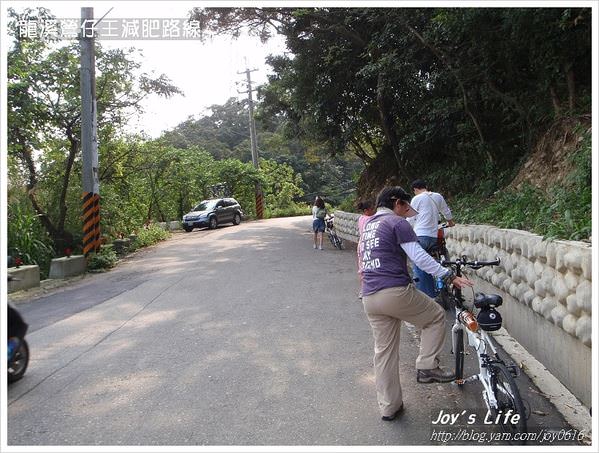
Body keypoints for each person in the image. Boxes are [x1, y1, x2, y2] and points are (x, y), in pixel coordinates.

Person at [358, 186, 473, 421]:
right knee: (435, 316)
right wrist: (449, 276)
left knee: (384, 353)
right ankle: (427, 365)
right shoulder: (396, 223)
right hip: (394, 290)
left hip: (369, 296)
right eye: (404, 207)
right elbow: (418, 256)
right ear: (397, 202)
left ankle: (389, 407)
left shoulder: (369, 225)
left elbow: (362, 260)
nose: (405, 213)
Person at [408, 179, 456, 299]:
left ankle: (427, 296)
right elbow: (446, 211)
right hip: (433, 237)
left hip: (420, 235)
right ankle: (442, 280)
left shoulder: (417, 199)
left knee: (419, 263)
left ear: (415, 190)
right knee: (434, 257)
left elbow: (410, 218)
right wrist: (450, 222)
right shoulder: (437, 196)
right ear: (426, 186)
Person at [356, 198, 376, 297]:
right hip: (369, 244)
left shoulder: (361, 218)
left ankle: (363, 290)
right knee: (371, 266)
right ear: (366, 210)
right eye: (372, 209)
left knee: (362, 268)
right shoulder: (371, 219)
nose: (374, 211)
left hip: (361, 245)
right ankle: (370, 288)